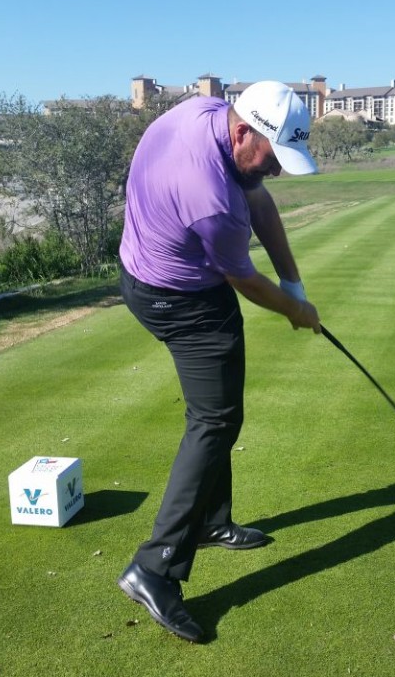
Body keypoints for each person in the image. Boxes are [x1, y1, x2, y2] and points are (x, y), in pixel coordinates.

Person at [117, 80, 321, 642]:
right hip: (180, 298)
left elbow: (258, 194)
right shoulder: (212, 196)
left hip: (148, 271)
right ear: (242, 133)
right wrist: (293, 312)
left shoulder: (210, 116)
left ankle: (211, 521)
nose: (277, 171)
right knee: (215, 420)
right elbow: (242, 278)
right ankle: (154, 568)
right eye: (274, 157)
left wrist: (295, 283)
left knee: (218, 409)